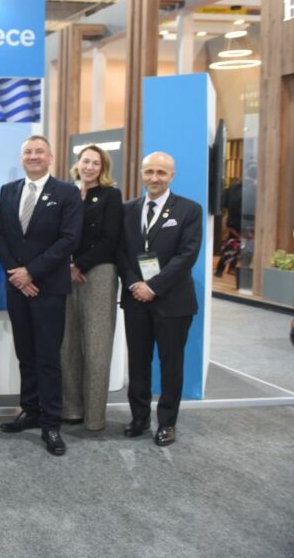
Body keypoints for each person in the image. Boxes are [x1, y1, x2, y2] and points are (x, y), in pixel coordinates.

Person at [0, 135, 82, 456]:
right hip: (17, 287)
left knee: (48, 357)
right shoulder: (9, 191)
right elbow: (0, 233)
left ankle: (51, 422)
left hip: (48, 288)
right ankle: (29, 410)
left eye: (39, 151)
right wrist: (16, 273)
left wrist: (31, 272)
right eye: (28, 152)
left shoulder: (67, 193)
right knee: (25, 353)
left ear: (50, 157)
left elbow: (69, 239)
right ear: (22, 158)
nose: (33, 156)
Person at [117, 151, 202, 447]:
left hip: (173, 301)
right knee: (138, 362)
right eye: (149, 171)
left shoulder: (189, 210)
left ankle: (167, 423)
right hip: (135, 299)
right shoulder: (126, 209)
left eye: (161, 173)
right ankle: (139, 418)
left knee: (171, 364)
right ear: (141, 173)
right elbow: (120, 252)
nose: (154, 178)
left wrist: (153, 286)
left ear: (172, 176)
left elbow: (187, 255)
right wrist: (134, 283)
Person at [60, 144, 122, 431]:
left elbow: (111, 239)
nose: (89, 167)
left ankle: (95, 416)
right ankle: (71, 408)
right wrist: (68, 265)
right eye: (86, 161)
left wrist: (80, 265)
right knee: (67, 345)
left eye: (96, 163)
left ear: (103, 168)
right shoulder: (66, 193)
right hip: (65, 273)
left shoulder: (110, 195)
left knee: (97, 347)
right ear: (78, 163)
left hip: (99, 273)